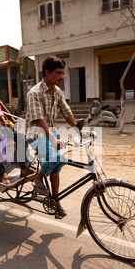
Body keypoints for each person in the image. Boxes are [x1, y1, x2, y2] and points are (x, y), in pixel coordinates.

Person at [26, 56, 82, 219]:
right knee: (56, 157)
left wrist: (79, 130)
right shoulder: (34, 92)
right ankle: (38, 178)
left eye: (62, 73)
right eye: (58, 73)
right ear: (47, 73)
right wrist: (52, 138)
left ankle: (55, 200)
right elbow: (38, 119)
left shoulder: (57, 92)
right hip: (36, 133)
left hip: (50, 132)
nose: (61, 76)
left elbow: (66, 112)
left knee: (56, 167)